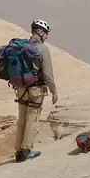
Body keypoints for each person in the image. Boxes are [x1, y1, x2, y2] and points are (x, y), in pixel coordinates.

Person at [14, 19, 58, 162]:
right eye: (46, 33)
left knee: (22, 119)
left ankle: (18, 151)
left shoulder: (24, 46)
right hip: (35, 90)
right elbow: (47, 73)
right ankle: (27, 151)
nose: (46, 37)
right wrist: (54, 91)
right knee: (32, 119)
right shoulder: (43, 49)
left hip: (21, 88)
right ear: (40, 32)